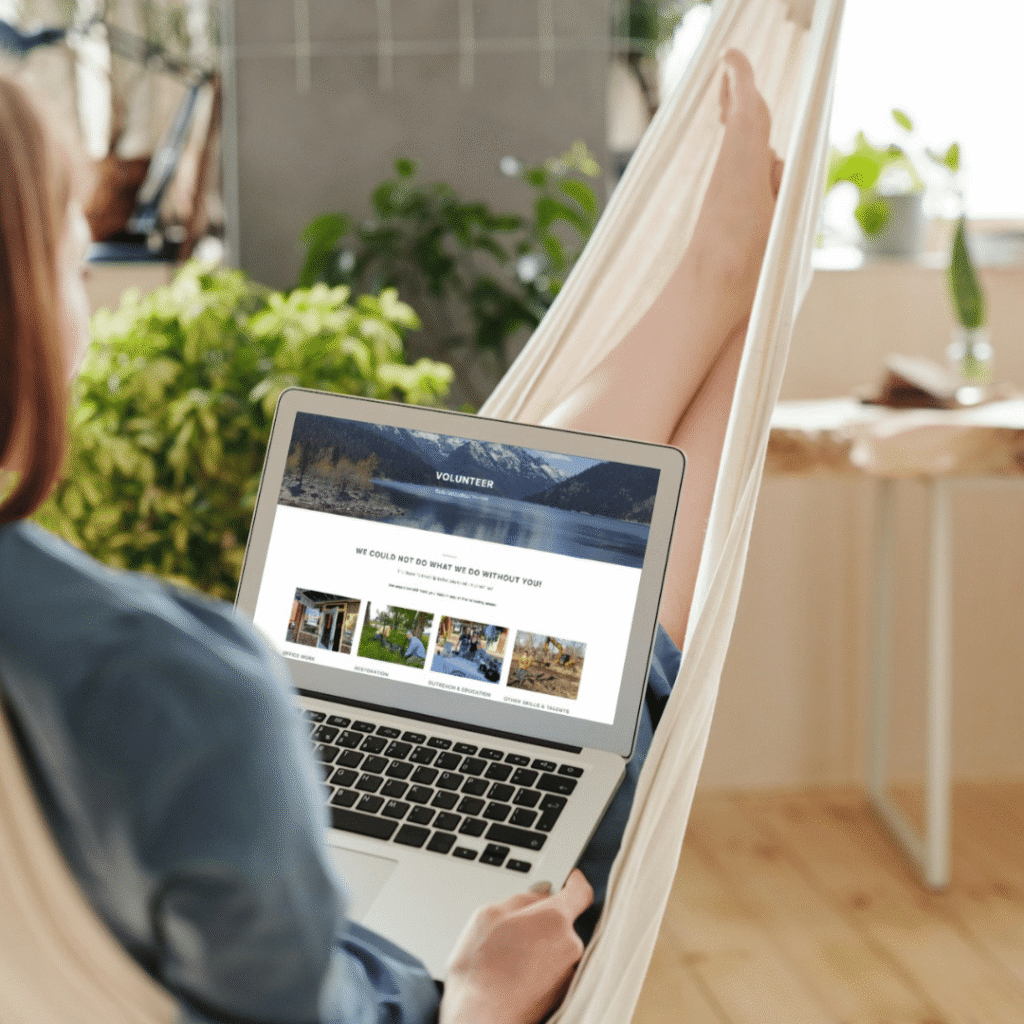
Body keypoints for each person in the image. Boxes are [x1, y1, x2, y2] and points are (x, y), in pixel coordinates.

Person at [0, 48, 780, 1024]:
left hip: (194, 932)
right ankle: (744, 295)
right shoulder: (175, 689)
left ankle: (716, 282)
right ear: (27, 312)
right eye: (75, 266)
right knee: (615, 671)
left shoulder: (148, 680)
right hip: (408, 985)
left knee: (511, 544)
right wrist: (479, 1001)